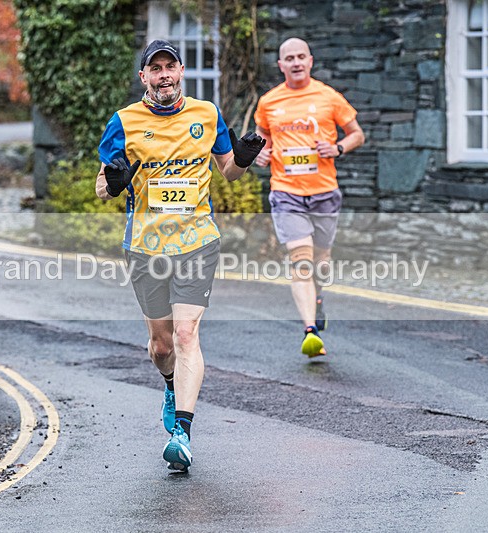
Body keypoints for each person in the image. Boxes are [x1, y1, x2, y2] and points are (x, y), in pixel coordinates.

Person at [95, 39, 265, 471]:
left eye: (170, 67)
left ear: (181, 71)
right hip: (145, 247)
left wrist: (244, 158)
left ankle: (182, 435)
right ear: (144, 77)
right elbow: (101, 188)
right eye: (155, 69)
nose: (164, 75)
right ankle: (170, 384)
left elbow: (228, 170)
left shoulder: (206, 114)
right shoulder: (124, 122)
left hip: (197, 241)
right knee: (162, 344)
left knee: (187, 334)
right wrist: (114, 182)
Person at [254, 37, 365, 358]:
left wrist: (338, 148)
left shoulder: (329, 97)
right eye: (289, 58)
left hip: (324, 192)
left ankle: (317, 298)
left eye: (301, 56)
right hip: (286, 192)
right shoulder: (269, 102)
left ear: (310, 61)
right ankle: (310, 331)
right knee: (301, 261)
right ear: (281, 65)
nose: (296, 62)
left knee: (321, 263)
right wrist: (260, 153)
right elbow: (262, 137)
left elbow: (357, 134)